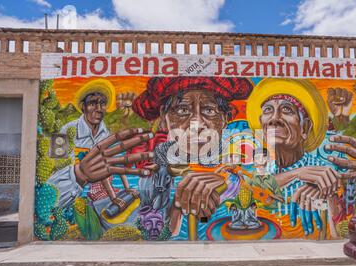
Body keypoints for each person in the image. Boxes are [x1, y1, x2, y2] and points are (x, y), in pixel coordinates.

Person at [131, 77, 254, 238]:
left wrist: (227, 183)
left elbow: (256, 185)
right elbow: (155, 233)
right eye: (182, 110)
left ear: (225, 118)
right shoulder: (153, 171)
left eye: (209, 110)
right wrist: (176, 208)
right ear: (164, 116)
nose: (196, 123)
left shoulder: (240, 158)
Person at [246, 79, 341, 236]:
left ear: (305, 127)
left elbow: (336, 232)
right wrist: (297, 173)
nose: (274, 118)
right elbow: (251, 189)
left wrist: (327, 195)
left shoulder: (323, 172)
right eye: (268, 110)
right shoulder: (257, 168)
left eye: (287, 110)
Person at [47, 80, 155, 210]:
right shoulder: (65, 131)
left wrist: (126, 189)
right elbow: (53, 168)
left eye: (102, 103)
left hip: (95, 192)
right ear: (83, 107)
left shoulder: (105, 134)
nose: (98, 109)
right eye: (93, 103)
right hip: (68, 195)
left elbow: (111, 166)